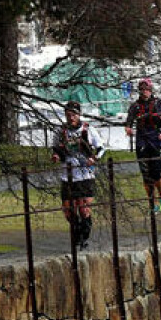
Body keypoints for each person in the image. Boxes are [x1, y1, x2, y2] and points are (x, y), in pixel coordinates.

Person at [52, 101, 106, 249]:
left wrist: (93, 158)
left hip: (85, 175)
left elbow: (101, 148)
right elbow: (55, 148)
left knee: (83, 208)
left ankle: (83, 237)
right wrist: (56, 156)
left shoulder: (88, 130)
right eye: (68, 115)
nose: (71, 117)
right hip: (67, 175)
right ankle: (77, 234)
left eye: (74, 114)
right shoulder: (60, 131)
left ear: (79, 114)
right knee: (68, 210)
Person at [125, 78, 161, 212]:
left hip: (156, 140)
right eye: (142, 90)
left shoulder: (158, 103)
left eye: (146, 89)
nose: (144, 92)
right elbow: (128, 123)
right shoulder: (135, 106)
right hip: (142, 142)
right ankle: (151, 203)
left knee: (156, 172)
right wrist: (129, 130)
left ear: (151, 90)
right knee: (146, 175)